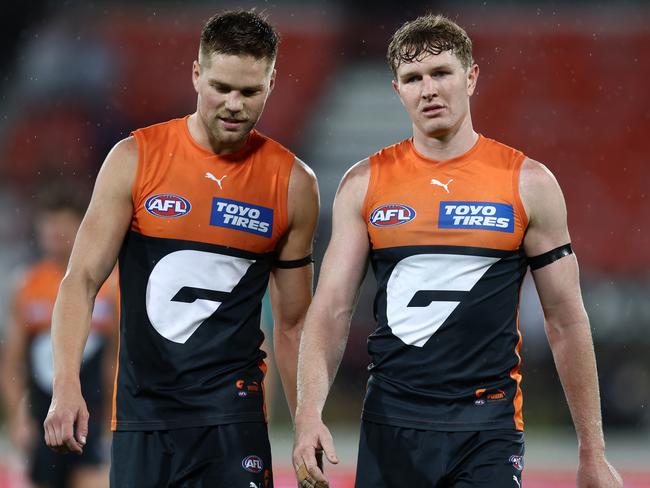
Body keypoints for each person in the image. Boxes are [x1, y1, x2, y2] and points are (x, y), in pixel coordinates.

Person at [292, 14, 623, 488]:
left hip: (487, 430)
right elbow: (330, 311)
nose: (427, 89)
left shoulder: (528, 184)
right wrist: (308, 416)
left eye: (441, 73)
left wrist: (593, 452)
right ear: (397, 90)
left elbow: (566, 320)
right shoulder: (364, 185)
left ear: (471, 77)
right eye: (412, 79)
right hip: (392, 425)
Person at [43, 10, 319, 488]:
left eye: (249, 92)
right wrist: (65, 384)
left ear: (272, 83)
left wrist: (306, 423)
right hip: (143, 417)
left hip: (232, 420)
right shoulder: (135, 159)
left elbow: (293, 324)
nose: (233, 104)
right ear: (196, 74)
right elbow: (81, 281)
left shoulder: (293, 184)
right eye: (220, 87)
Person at [1, 187, 117, 488]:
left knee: (91, 480)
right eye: (49, 225)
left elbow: (117, 356)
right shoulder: (27, 284)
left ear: (81, 226)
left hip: (93, 412)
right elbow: (12, 362)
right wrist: (17, 416)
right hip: (43, 414)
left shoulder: (111, 286)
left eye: (63, 225)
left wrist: (112, 419)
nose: (55, 233)